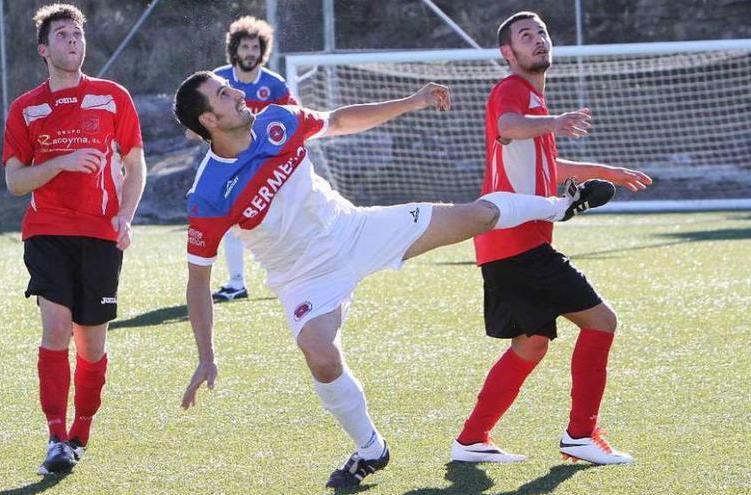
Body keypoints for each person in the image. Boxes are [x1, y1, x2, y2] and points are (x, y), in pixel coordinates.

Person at [172, 70, 614, 488]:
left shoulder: (280, 120)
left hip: (356, 230)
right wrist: (206, 356)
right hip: (302, 277)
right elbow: (197, 283)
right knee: (320, 355)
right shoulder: (208, 192)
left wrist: (413, 100)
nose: (237, 93)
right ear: (209, 120)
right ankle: (370, 449)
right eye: (223, 95)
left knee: (474, 216)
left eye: (230, 87)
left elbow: (341, 120)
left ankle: (560, 205)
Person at [450, 11, 652, 466]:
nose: (539, 40)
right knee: (602, 322)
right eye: (526, 36)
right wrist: (555, 121)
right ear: (509, 53)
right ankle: (581, 435)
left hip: (508, 245)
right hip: (517, 244)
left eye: (541, 33)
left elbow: (545, 167)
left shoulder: (534, 104)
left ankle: (470, 440)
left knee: (530, 344)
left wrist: (603, 171)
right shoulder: (512, 90)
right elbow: (508, 126)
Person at [1, 3, 147, 475]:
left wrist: (124, 216)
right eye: (63, 35)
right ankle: (55, 435)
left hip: (101, 236)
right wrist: (59, 164)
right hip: (47, 233)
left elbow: (135, 165)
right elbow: (15, 182)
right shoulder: (25, 108)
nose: (73, 41)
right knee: (56, 329)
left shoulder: (112, 97)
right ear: (44, 49)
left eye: (78, 35)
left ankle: (81, 429)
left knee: (92, 346)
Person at [210, 16, 298, 302]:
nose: (250, 53)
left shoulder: (274, 84)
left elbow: (295, 118)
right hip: (232, 164)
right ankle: (236, 283)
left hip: (271, 166)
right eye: (245, 47)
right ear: (234, 50)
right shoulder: (218, 81)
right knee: (233, 222)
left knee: (283, 222)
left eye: (255, 48)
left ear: (263, 52)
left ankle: (296, 274)